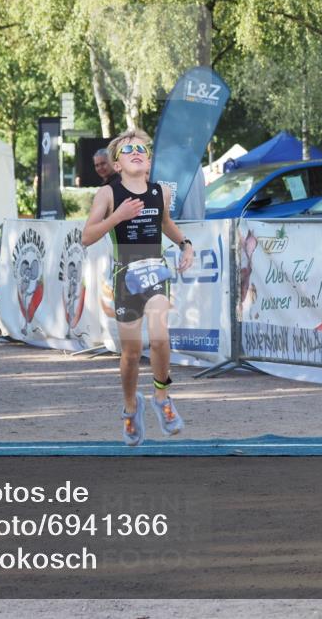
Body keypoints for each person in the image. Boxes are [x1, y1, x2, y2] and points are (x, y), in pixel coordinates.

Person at [82, 129, 194, 446]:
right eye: (128, 150)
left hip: (154, 270)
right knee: (131, 354)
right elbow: (87, 237)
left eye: (141, 149)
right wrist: (117, 217)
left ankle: (162, 396)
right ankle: (131, 407)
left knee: (159, 336)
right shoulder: (108, 195)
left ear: (149, 160)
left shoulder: (161, 192)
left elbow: (165, 223)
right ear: (117, 164)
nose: (136, 152)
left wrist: (185, 244)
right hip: (126, 275)